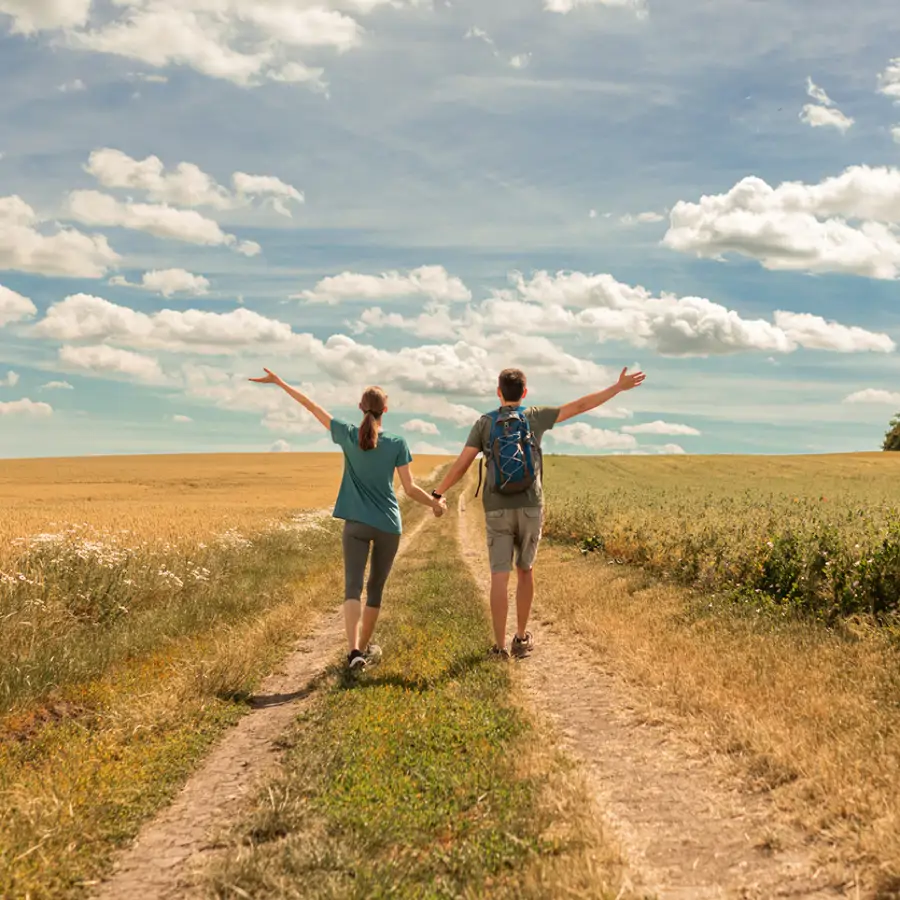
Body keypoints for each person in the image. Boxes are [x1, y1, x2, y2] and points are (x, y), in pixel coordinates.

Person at [432, 366, 645, 658]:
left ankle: (498, 646)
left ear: (498, 392)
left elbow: (462, 464)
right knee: (525, 570)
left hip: (497, 509)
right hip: (532, 505)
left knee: (499, 575)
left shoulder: (484, 424)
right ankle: (520, 638)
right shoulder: (534, 417)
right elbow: (581, 405)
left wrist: (438, 493)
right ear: (524, 392)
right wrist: (617, 387)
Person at [250, 369, 447, 670]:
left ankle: (354, 651)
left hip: (355, 524)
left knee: (352, 587)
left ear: (360, 407)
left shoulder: (346, 433)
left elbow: (311, 406)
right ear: (386, 410)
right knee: (375, 588)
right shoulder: (397, 442)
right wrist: (436, 504)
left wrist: (279, 382)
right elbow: (409, 489)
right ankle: (365, 649)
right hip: (388, 526)